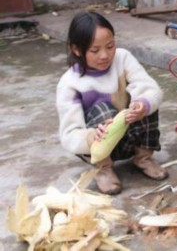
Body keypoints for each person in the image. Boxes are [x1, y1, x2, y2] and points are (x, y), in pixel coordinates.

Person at [56, 11, 168, 195]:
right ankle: (103, 169)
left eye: (110, 46)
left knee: (145, 101)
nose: (105, 55)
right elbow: (69, 135)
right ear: (77, 49)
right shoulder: (70, 83)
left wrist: (141, 106)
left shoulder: (123, 58)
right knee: (103, 110)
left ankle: (143, 158)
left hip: (131, 137)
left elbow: (151, 88)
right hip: (99, 147)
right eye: (95, 50)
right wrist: (91, 136)